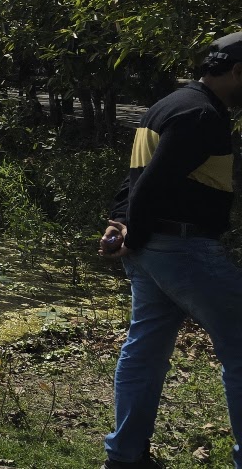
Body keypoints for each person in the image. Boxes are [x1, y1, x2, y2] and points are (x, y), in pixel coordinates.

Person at [100, 31, 242, 469]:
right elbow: (152, 185)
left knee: (145, 348)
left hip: (153, 251)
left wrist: (119, 223)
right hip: (183, 248)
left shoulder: (169, 104)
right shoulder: (201, 116)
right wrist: (134, 233)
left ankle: (125, 458)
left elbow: (137, 177)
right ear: (238, 72)